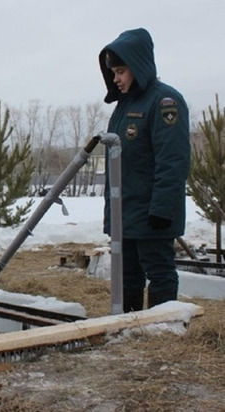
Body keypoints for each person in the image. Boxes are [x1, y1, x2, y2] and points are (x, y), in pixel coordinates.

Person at [99, 28, 191, 312]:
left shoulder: (164, 102)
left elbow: (172, 160)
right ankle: (130, 327)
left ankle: (163, 329)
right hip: (125, 211)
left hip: (152, 213)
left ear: (139, 66)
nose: (116, 78)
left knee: (159, 271)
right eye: (113, 72)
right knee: (128, 274)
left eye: (121, 71)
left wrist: (162, 209)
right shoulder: (125, 105)